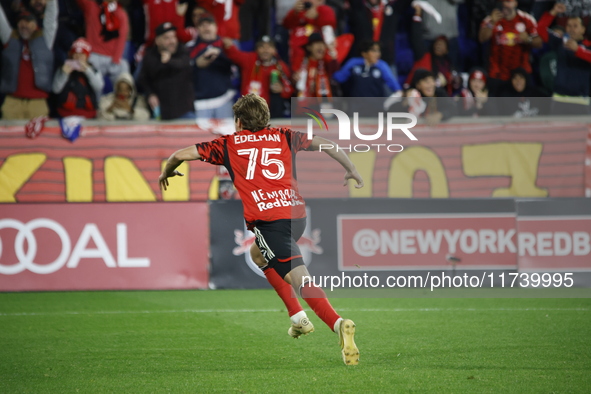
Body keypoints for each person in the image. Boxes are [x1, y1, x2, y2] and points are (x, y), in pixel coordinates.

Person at [159, 93, 362, 366]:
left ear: (239, 122)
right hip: (296, 215)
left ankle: (338, 324)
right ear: (266, 119)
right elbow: (327, 144)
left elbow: (179, 154)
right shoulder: (284, 135)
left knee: (300, 278)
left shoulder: (229, 144)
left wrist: (167, 171)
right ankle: (297, 318)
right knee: (258, 255)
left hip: (269, 222)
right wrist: (351, 168)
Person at [0, 2, 58, 120]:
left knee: (39, 139)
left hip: (38, 102)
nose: (24, 25)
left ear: (35, 24)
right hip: (12, 101)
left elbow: (52, 18)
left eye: (28, 22)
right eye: (21, 21)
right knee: (10, 138)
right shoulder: (10, 37)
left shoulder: (45, 39)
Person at [478, 0, 542, 95]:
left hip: (520, 76)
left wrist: (528, 39)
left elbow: (539, 43)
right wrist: (492, 23)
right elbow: (481, 38)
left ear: (516, 3)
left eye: (508, 1)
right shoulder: (491, 19)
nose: (504, 4)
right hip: (497, 74)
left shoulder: (526, 19)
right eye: (502, 1)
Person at [537, 3, 591, 115]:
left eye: (575, 26)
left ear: (583, 29)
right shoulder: (560, 43)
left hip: (580, 101)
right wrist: (553, 12)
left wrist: (578, 50)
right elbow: (540, 29)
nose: (571, 29)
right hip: (559, 100)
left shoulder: (588, 46)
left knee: (581, 132)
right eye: (569, 26)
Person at [222, 35, 294, 118]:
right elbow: (234, 55)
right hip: (248, 110)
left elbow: (290, 90)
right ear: (257, 49)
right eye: (262, 47)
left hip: (269, 113)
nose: (265, 50)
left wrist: (282, 89)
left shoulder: (280, 66)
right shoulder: (249, 59)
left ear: (275, 50)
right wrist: (228, 45)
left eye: (269, 47)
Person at [138, 23, 194, 120]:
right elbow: (143, 79)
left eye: (173, 37)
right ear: (158, 41)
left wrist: (169, 61)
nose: (172, 41)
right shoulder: (150, 56)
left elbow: (184, 64)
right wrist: (150, 94)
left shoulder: (182, 51)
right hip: (161, 114)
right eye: (166, 38)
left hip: (184, 112)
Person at [188, 14, 235, 122]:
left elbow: (237, 64)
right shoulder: (190, 47)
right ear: (197, 29)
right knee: (201, 138)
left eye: (209, 24)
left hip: (224, 99)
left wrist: (220, 54)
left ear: (216, 27)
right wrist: (196, 64)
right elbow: (184, 72)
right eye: (202, 25)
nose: (206, 28)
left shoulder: (226, 45)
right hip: (200, 102)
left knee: (226, 136)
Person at [75, 0, 129, 84]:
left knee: (124, 67)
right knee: (96, 83)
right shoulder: (92, 6)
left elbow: (121, 40)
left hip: (111, 58)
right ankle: (94, 97)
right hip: (93, 56)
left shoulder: (121, 13)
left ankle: (120, 97)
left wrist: (115, 60)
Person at [52, 37, 104, 118]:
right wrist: (64, 74)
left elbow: (99, 87)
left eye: (82, 55)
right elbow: (56, 89)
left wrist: (88, 71)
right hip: (65, 114)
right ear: (71, 55)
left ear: (87, 56)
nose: (78, 58)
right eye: (76, 54)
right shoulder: (63, 68)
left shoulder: (93, 70)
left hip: (88, 114)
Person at [332, 40, 401, 97]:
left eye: (378, 51)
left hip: (376, 107)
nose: (378, 54)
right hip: (355, 106)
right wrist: (333, 59)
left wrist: (399, 93)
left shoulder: (382, 65)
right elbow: (339, 78)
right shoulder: (353, 63)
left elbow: (393, 84)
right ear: (364, 53)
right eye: (374, 51)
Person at [283, 0, 336, 71]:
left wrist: (317, 17)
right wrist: (295, 13)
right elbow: (286, 25)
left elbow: (330, 24)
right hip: (299, 46)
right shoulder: (298, 10)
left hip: (319, 44)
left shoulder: (324, 9)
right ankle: (295, 73)